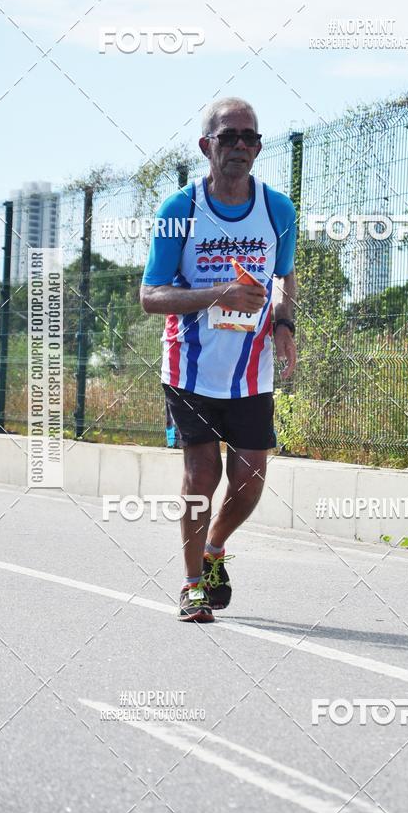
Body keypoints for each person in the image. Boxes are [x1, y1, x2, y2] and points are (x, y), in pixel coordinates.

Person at [140, 97, 297, 621]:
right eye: (228, 137)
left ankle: (213, 549)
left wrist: (283, 324)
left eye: (249, 138)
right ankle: (190, 585)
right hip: (189, 364)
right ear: (206, 146)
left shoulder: (278, 209)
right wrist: (218, 295)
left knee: (250, 478)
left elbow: (283, 278)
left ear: (257, 148)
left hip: (251, 369)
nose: (239, 147)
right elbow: (151, 296)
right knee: (201, 471)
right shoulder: (179, 211)